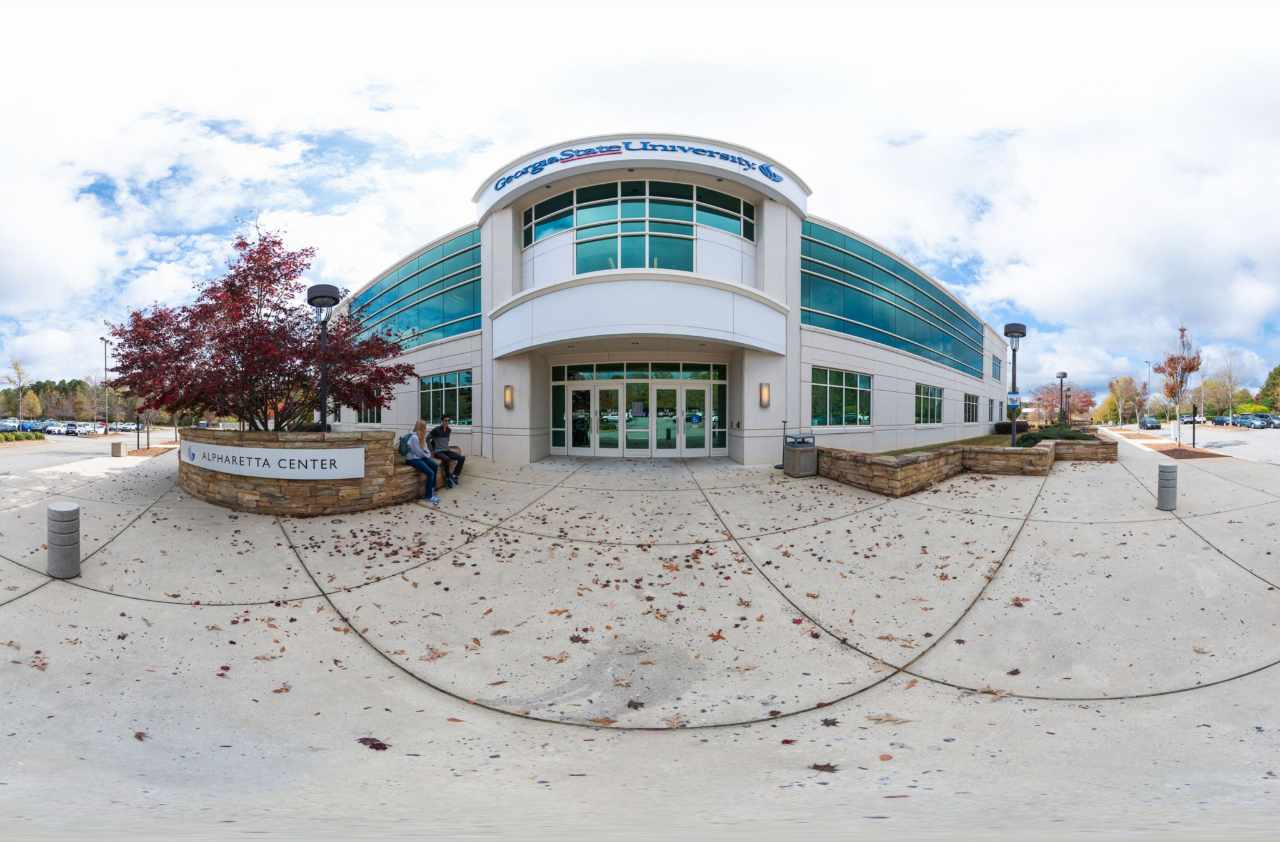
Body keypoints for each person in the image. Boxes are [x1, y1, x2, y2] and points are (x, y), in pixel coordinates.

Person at [405, 419, 441, 505]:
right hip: (413, 459)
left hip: (420, 457)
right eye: (424, 426)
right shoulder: (414, 437)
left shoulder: (421, 436)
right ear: (421, 427)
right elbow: (418, 452)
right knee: (430, 473)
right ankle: (428, 496)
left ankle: (432, 489)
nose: (426, 428)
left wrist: (427, 454)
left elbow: (425, 449)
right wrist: (427, 455)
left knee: (435, 465)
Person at [427, 415, 465, 487]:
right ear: (442, 421)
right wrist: (431, 451)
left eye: (448, 421)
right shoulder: (436, 430)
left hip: (446, 450)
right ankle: (447, 478)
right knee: (447, 459)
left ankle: (454, 475)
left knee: (462, 458)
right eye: (445, 420)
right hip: (438, 451)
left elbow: (447, 440)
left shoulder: (449, 430)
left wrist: (447, 447)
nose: (447, 422)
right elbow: (427, 439)